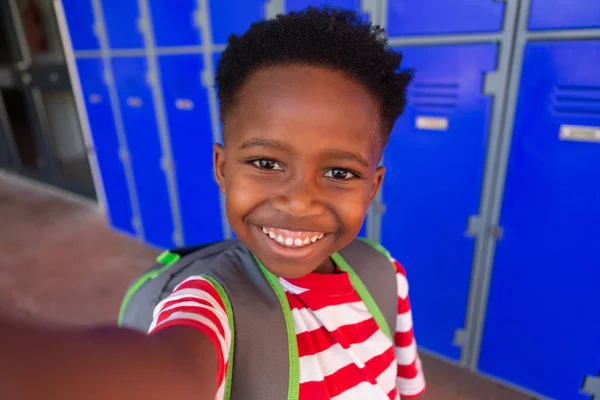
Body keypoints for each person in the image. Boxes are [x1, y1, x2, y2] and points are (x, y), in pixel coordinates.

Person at [0, 6, 425, 400]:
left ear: (372, 186)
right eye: (265, 162)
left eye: (339, 173)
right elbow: (169, 367)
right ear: (222, 168)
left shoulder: (385, 275)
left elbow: (407, 389)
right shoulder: (209, 303)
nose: (298, 202)